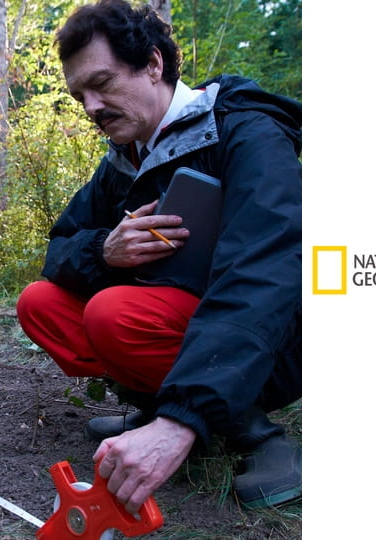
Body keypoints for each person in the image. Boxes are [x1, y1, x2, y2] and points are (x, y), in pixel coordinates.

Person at [15, 0, 301, 511]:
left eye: (101, 83)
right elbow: (59, 247)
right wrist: (105, 251)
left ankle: (257, 435)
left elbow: (265, 274)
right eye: (79, 94)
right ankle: (157, 407)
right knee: (41, 303)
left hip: (274, 337)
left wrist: (182, 418)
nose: (91, 107)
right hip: (182, 326)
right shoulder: (125, 160)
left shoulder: (244, 131)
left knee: (113, 314)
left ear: (152, 64)